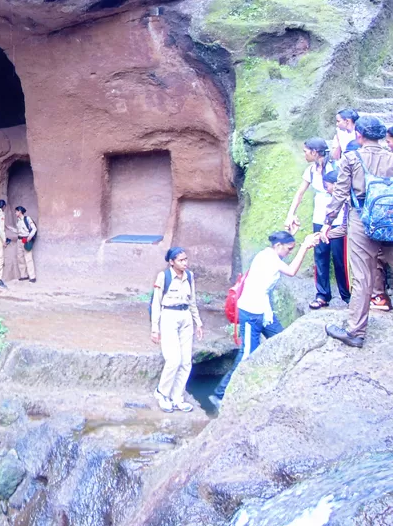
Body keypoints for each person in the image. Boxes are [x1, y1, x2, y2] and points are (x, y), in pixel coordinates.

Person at [209, 231, 318, 409]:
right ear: (278, 246)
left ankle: (277, 381)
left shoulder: (270, 253)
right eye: (289, 248)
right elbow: (291, 271)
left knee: (282, 340)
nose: (290, 252)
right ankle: (220, 395)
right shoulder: (269, 258)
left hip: (265, 312)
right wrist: (305, 246)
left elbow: (281, 248)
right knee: (247, 354)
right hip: (251, 312)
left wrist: (291, 231)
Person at [321, 116, 393, 347]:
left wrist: (328, 221)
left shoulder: (351, 158)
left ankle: (355, 332)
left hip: (361, 221)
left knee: (362, 276)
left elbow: (340, 194)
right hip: (390, 219)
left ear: (359, 135)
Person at [284, 138, 344, 309]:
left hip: (338, 219)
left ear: (315, 152)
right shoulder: (311, 170)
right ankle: (322, 295)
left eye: (306, 151)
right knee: (320, 255)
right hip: (319, 218)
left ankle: (347, 295)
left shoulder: (336, 167)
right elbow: (300, 193)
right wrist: (290, 214)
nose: (304, 154)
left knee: (339, 258)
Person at [150, 247, 203, 413]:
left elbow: (192, 300)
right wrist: (155, 328)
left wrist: (198, 322)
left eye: (185, 259)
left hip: (185, 316)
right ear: (171, 262)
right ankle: (162, 393)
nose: (185, 263)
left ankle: (177, 397)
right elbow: (156, 303)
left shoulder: (189, 276)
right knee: (173, 360)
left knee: (186, 362)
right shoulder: (164, 276)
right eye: (181, 260)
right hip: (169, 316)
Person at [318, 170, 351, 306]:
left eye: (327, 186)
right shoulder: (347, 199)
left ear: (337, 185)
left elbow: (346, 227)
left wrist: (326, 233)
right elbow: (345, 226)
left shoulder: (350, 199)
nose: (326, 190)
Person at [7, 206, 37, 283]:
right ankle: (24, 275)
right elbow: (18, 231)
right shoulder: (18, 221)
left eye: (16, 211)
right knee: (20, 258)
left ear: (20, 211)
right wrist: (10, 228)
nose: (15, 213)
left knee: (28, 258)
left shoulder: (27, 219)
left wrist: (30, 237)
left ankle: (32, 276)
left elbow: (34, 228)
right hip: (19, 240)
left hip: (26, 240)